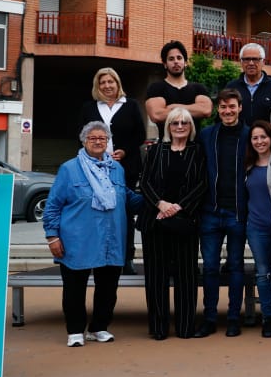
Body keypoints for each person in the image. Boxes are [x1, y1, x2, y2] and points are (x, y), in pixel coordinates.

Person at [43, 121, 138, 347]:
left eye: (102, 138)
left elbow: (126, 198)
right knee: (75, 287)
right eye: (92, 138)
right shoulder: (69, 168)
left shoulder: (117, 169)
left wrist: (157, 200)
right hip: (77, 239)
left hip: (111, 238)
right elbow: (53, 205)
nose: (97, 141)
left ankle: (100, 327)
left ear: (108, 142)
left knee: (108, 288)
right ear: (84, 141)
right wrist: (52, 236)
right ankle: (75, 330)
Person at [138, 107, 207, 340]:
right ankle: (158, 328)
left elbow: (202, 184)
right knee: (156, 277)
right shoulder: (156, 150)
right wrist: (161, 204)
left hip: (185, 221)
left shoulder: (198, 151)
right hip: (156, 222)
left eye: (184, 123)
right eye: (175, 123)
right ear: (168, 126)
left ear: (190, 127)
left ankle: (186, 326)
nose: (179, 127)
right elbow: (144, 181)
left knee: (186, 277)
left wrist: (178, 206)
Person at [79, 67, 147, 274]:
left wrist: (124, 151)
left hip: (124, 167)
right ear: (97, 86)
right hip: (95, 168)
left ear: (118, 84)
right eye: (103, 82)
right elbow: (81, 135)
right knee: (96, 212)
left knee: (124, 213)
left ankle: (126, 258)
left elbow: (140, 134)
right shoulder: (89, 107)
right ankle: (96, 256)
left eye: (111, 82)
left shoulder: (131, 105)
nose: (107, 86)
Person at [196, 89, 249, 338]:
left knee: (236, 266)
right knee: (210, 267)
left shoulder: (250, 136)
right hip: (210, 211)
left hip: (237, 212)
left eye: (232, 107)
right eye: (223, 107)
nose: (228, 111)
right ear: (218, 110)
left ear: (240, 108)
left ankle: (233, 318)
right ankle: (209, 318)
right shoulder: (207, 135)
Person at [244, 120, 271, 338]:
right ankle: (268, 317)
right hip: (257, 228)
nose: (259, 141)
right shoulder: (247, 165)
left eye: (263, 137)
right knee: (263, 273)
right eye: (255, 138)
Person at [145, 40, 213, 128]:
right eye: (171, 59)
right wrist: (193, 109)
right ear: (165, 64)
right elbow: (157, 115)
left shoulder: (198, 88)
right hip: (167, 141)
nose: (176, 61)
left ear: (185, 63)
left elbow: (206, 110)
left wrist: (173, 107)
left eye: (179, 58)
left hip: (194, 141)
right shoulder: (156, 88)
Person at [226, 43, 271, 125]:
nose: (251, 63)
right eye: (247, 59)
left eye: (255, 59)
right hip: (238, 137)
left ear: (263, 62)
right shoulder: (231, 87)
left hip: (265, 137)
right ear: (241, 62)